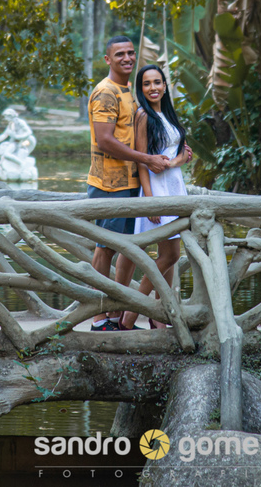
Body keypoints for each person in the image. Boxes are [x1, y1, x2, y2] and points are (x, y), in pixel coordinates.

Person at [87, 36, 171, 331]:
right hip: (109, 184)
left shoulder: (129, 92)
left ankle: (118, 315)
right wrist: (146, 159)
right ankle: (99, 319)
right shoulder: (106, 92)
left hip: (132, 182)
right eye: (119, 54)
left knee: (130, 249)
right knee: (105, 249)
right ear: (107, 59)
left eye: (130, 53)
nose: (127, 58)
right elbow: (105, 140)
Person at [120, 64, 191, 331]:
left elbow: (180, 155)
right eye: (147, 83)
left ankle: (159, 316)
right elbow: (142, 161)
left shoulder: (168, 114)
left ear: (164, 85)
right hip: (157, 190)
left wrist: (176, 161)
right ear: (141, 88)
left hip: (174, 187)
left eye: (157, 82)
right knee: (171, 255)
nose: (153, 88)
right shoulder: (143, 115)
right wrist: (150, 201)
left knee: (168, 254)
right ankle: (129, 316)